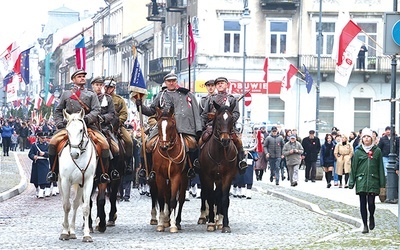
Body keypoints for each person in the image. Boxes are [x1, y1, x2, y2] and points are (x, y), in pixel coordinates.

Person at [46, 69, 111, 183]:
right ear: (73, 79)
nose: (82, 78)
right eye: (79, 76)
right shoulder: (66, 94)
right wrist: (60, 122)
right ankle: (53, 171)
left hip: (88, 126)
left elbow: (97, 110)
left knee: (105, 145)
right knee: (53, 143)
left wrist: (86, 118)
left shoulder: (91, 94)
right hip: (69, 127)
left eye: (83, 76)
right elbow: (58, 110)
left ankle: (102, 173)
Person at [135, 72, 202, 180]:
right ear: (165, 83)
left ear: (176, 82)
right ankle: (147, 168)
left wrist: (198, 129)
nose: (171, 83)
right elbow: (151, 110)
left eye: (173, 81)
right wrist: (140, 106)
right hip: (163, 126)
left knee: (192, 144)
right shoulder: (161, 95)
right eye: (169, 81)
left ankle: (191, 167)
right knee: (147, 144)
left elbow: (195, 112)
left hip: (182, 126)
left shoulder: (187, 95)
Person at [200, 76, 247, 173]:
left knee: (238, 141)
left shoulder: (232, 99)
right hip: (211, 126)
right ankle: (197, 161)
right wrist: (202, 126)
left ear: (226, 85)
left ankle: (240, 162)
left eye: (222, 83)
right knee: (202, 139)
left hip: (228, 127)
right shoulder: (211, 99)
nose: (220, 85)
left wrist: (227, 121)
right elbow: (204, 114)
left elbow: (236, 113)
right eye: (218, 83)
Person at [349, 127, 386, 234]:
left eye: (368, 137)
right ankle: (365, 224)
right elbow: (354, 167)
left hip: (373, 179)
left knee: (371, 203)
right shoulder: (358, 151)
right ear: (362, 138)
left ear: (371, 138)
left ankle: (372, 216)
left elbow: (380, 167)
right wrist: (351, 182)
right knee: (362, 203)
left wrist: (382, 183)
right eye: (364, 137)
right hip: (361, 179)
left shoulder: (377, 151)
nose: (366, 139)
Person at [91, 76, 120, 180]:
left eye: (100, 85)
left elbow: (112, 113)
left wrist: (103, 118)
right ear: (92, 86)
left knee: (115, 149)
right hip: (90, 126)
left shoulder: (107, 98)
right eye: (96, 85)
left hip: (104, 128)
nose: (98, 87)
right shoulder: (87, 97)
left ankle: (113, 170)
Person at [104, 77, 134, 175]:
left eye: (110, 87)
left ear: (114, 88)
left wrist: (117, 123)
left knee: (129, 141)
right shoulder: (99, 98)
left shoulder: (119, 100)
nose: (108, 89)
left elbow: (124, 114)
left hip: (117, 126)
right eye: (106, 87)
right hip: (102, 126)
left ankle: (128, 164)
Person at [29, 132, 51, 198]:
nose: (44, 139)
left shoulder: (48, 145)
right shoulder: (34, 145)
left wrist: (44, 153)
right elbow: (30, 154)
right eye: (42, 138)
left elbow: (50, 154)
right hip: (36, 163)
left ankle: (41, 191)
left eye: (44, 138)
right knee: (36, 179)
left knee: (43, 178)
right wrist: (33, 156)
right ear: (38, 137)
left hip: (44, 163)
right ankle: (37, 189)